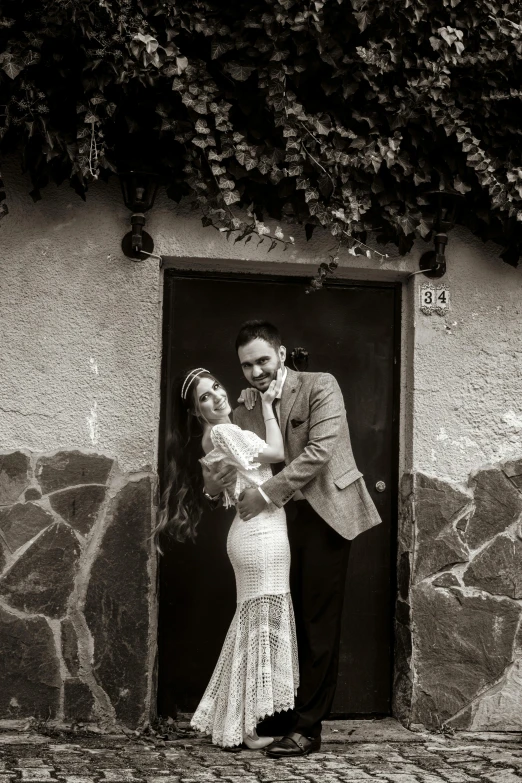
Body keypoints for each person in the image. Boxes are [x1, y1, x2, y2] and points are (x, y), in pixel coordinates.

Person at [204, 321, 382, 758]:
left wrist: (265, 494)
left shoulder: (321, 386)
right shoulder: (244, 404)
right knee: (283, 619)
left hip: (325, 516)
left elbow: (319, 451)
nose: (256, 371)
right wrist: (217, 483)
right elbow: (244, 462)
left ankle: (308, 728)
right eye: (247, 365)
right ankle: (277, 715)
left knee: (318, 623)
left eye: (263, 360)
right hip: (276, 528)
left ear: (281, 355)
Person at [155, 367, 299, 750]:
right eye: (205, 396)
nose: (217, 396)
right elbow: (278, 453)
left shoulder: (218, 434)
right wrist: (268, 405)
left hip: (259, 531)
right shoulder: (221, 432)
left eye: (216, 387)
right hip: (259, 534)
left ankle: (243, 717)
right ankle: (250, 725)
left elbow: (218, 484)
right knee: (260, 624)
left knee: (256, 624)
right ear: (195, 411)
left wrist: (248, 406)